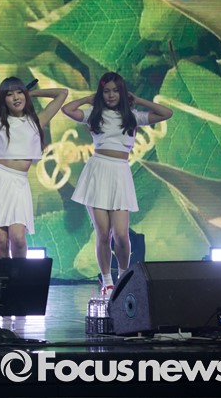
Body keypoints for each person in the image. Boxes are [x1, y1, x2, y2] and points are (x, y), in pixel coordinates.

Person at [62, 72, 172, 295]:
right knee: (103, 234)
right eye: (106, 91)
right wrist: (89, 99)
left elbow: (166, 113)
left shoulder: (132, 117)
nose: (111, 95)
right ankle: (107, 281)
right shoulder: (94, 115)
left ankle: (123, 277)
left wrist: (138, 100)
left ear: (122, 93)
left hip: (120, 172)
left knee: (121, 234)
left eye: (115, 90)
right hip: (97, 171)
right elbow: (67, 109)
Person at [0, 77, 67, 258]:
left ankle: (20, 276)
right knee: (2, 243)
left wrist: (31, 92)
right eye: (10, 94)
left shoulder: (36, 121)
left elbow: (62, 93)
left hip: (18, 184)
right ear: (3, 99)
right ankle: (2, 277)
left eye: (19, 93)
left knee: (18, 239)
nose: (16, 97)